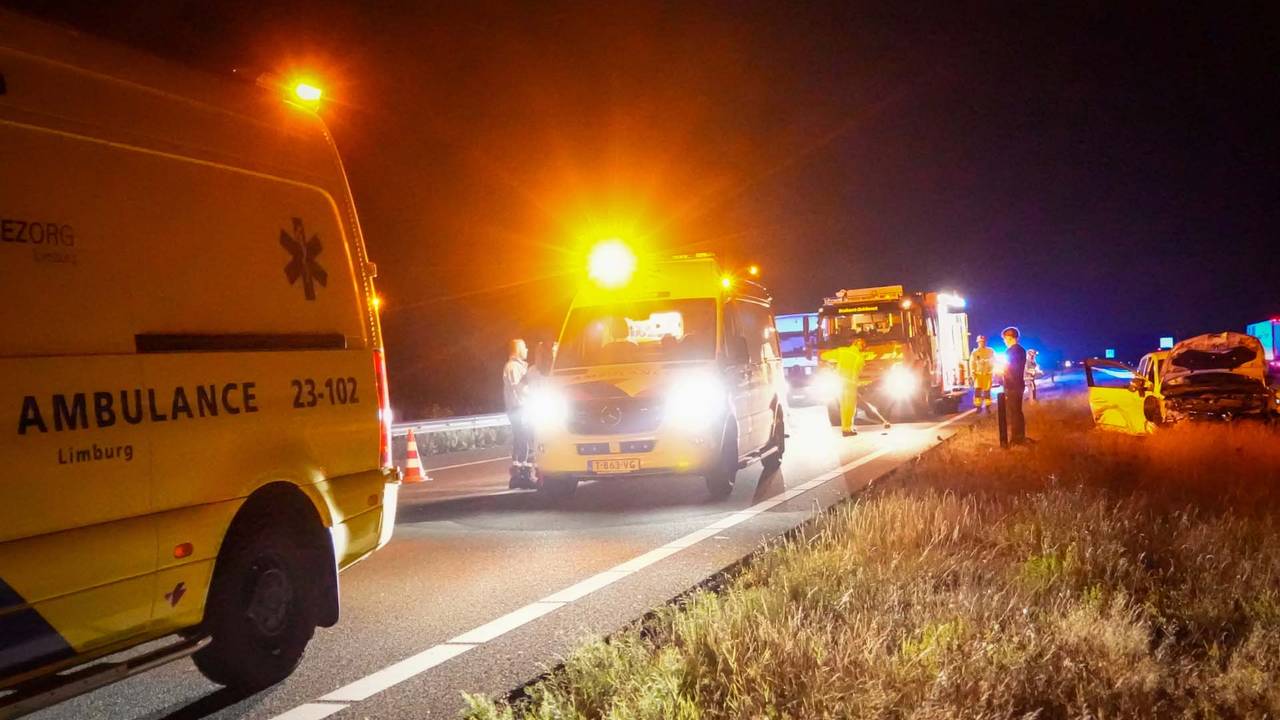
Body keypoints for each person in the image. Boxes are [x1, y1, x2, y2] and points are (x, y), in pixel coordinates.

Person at [821, 337, 890, 436]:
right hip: (851, 384)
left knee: (843, 406)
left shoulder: (842, 351)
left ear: (853, 344)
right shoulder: (860, 358)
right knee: (849, 407)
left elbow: (823, 356)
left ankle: (846, 428)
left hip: (840, 382)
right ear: (862, 347)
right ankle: (847, 429)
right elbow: (858, 372)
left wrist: (831, 363)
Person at [503, 338, 532, 488]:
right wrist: (534, 394)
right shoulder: (514, 367)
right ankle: (521, 475)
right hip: (520, 408)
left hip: (520, 408)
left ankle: (521, 473)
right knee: (523, 440)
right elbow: (518, 387)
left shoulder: (517, 366)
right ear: (518, 349)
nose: (527, 350)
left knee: (522, 440)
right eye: (525, 347)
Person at [1001, 327, 1029, 444]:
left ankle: (1016, 439)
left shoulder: (1010, 352)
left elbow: (1007, 368)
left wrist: (1000, 372)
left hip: (1011, 386)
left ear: (1009, 337)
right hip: (1019, 384)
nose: (1004, 341)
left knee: (1014, 413)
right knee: (1018, 411)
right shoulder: (1022, 350)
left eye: (1004, 339)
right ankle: (1020, 436)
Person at [969, 335, 995, 411]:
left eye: (983, 342)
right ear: (978, 342)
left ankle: (987, 407)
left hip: (987, 374)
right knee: (978, 391)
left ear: (985, 342)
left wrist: (992, 371)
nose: (982, 343)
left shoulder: (990, 351)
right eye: (980, 342)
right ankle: (978, 407)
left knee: (987, 391)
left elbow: (994, 361)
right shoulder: (975, 352)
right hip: (978, 375)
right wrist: (973, 373)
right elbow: (972, 363)